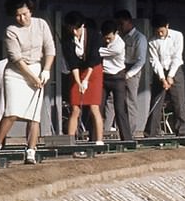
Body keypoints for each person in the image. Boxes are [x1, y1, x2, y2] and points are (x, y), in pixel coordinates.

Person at [0, 0, 54, 164]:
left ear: (30, 11)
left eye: (25, 14)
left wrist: (46, 70)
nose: (22, 18)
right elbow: (16, 58)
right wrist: (32, 77)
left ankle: (31, 150)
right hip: (16, 72)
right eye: (18, 15)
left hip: (37, 68)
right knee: (11, 112)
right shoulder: (11, 30)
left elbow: (50, 49)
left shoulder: (41, 24)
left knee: (34, 115)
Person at [60, 11, 104, 144]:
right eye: (71, 28)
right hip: (77, 72)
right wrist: (79, 82)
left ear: (82, 26)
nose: (74, 32)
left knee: (94, 107)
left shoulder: (94, 35)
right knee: (75, 107)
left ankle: (99, 140)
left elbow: (93, 58)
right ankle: (70, 142)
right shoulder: (66, 39)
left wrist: (85, 80)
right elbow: (72, 62)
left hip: (94, 71)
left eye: (76, 28)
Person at [146, 15, 185, 136]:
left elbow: (177, 57)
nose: (159, 33)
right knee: (156, 102)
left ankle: (183, 132)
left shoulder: (177, 36)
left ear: (167, 26)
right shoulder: (152, 41)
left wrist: (170, 76)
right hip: (160, 72)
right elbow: (154, 61)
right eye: (157, 31)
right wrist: (162, 78)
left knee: (179, 101)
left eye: (162, 31)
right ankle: (151, 133)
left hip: (175, 70)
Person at [113, 10, 148, 138]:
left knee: (130, 100)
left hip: (132, 69)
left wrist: (128, 74)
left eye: (121, 23)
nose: (120, 27)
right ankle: (112, 131)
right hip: (119, 67)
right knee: (114, 100)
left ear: (129, 21)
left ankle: (130, 132)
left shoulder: (139, 38)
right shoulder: (120, 37)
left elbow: (141, 61)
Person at [98, 20, 131, 141]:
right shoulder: (101, 39)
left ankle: (127, 140)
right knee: (97, 108)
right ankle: (95, 138)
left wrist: (91, 50)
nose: (107, 41)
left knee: (120, 109)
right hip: (103, 77)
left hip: (117, 78)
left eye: (109, 38)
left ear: (116, 33)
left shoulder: (119, 44)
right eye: (105, 38)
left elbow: (99, 53)